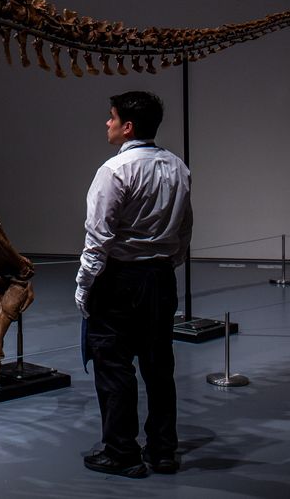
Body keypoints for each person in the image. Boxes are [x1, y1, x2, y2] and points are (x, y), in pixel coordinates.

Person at [76, 90, 191, 478]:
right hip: (159, 279)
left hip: (119, 280)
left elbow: (98, 239)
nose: (106, 124)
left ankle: (121, 452)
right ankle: (162, 451)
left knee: (114, 365)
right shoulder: (177, 167)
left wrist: (84, 286)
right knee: (159, 366)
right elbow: (185, 228)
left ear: (127, 127)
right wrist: (166, 265)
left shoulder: (114, 171)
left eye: (111, 117)